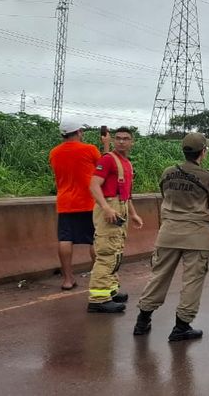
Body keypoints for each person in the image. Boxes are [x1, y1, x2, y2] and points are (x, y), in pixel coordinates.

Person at [134, 132, 209, 341]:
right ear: (203, 152)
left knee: (159, 276)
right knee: (192, 281)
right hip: (196, 235)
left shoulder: (168, 172)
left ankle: (142, 320)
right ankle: (181, 326)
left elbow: (165, 195)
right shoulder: (207, 176)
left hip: (168, 233)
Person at [86, 126, 143, 313]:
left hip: (121, 206)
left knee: (116, 250)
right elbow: (94, 185)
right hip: (110, 206)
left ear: (131, 142)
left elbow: (127, 194)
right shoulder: (108, 160)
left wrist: (133, 214)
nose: (121, 141)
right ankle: (98, 298)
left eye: (125, 138)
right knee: (107, 252)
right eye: (118, 138)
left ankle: (110, 289)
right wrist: (106, 207)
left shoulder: (126, 163)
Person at [49, 120, 108, 290]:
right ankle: (98, 277)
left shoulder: (54, 152)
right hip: (89, 201)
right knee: (95, 240)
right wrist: (105, 146)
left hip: (65, 202)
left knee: (65, 239)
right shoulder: (89, 149)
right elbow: (104, 168)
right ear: (78, 132)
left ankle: (68, 279)